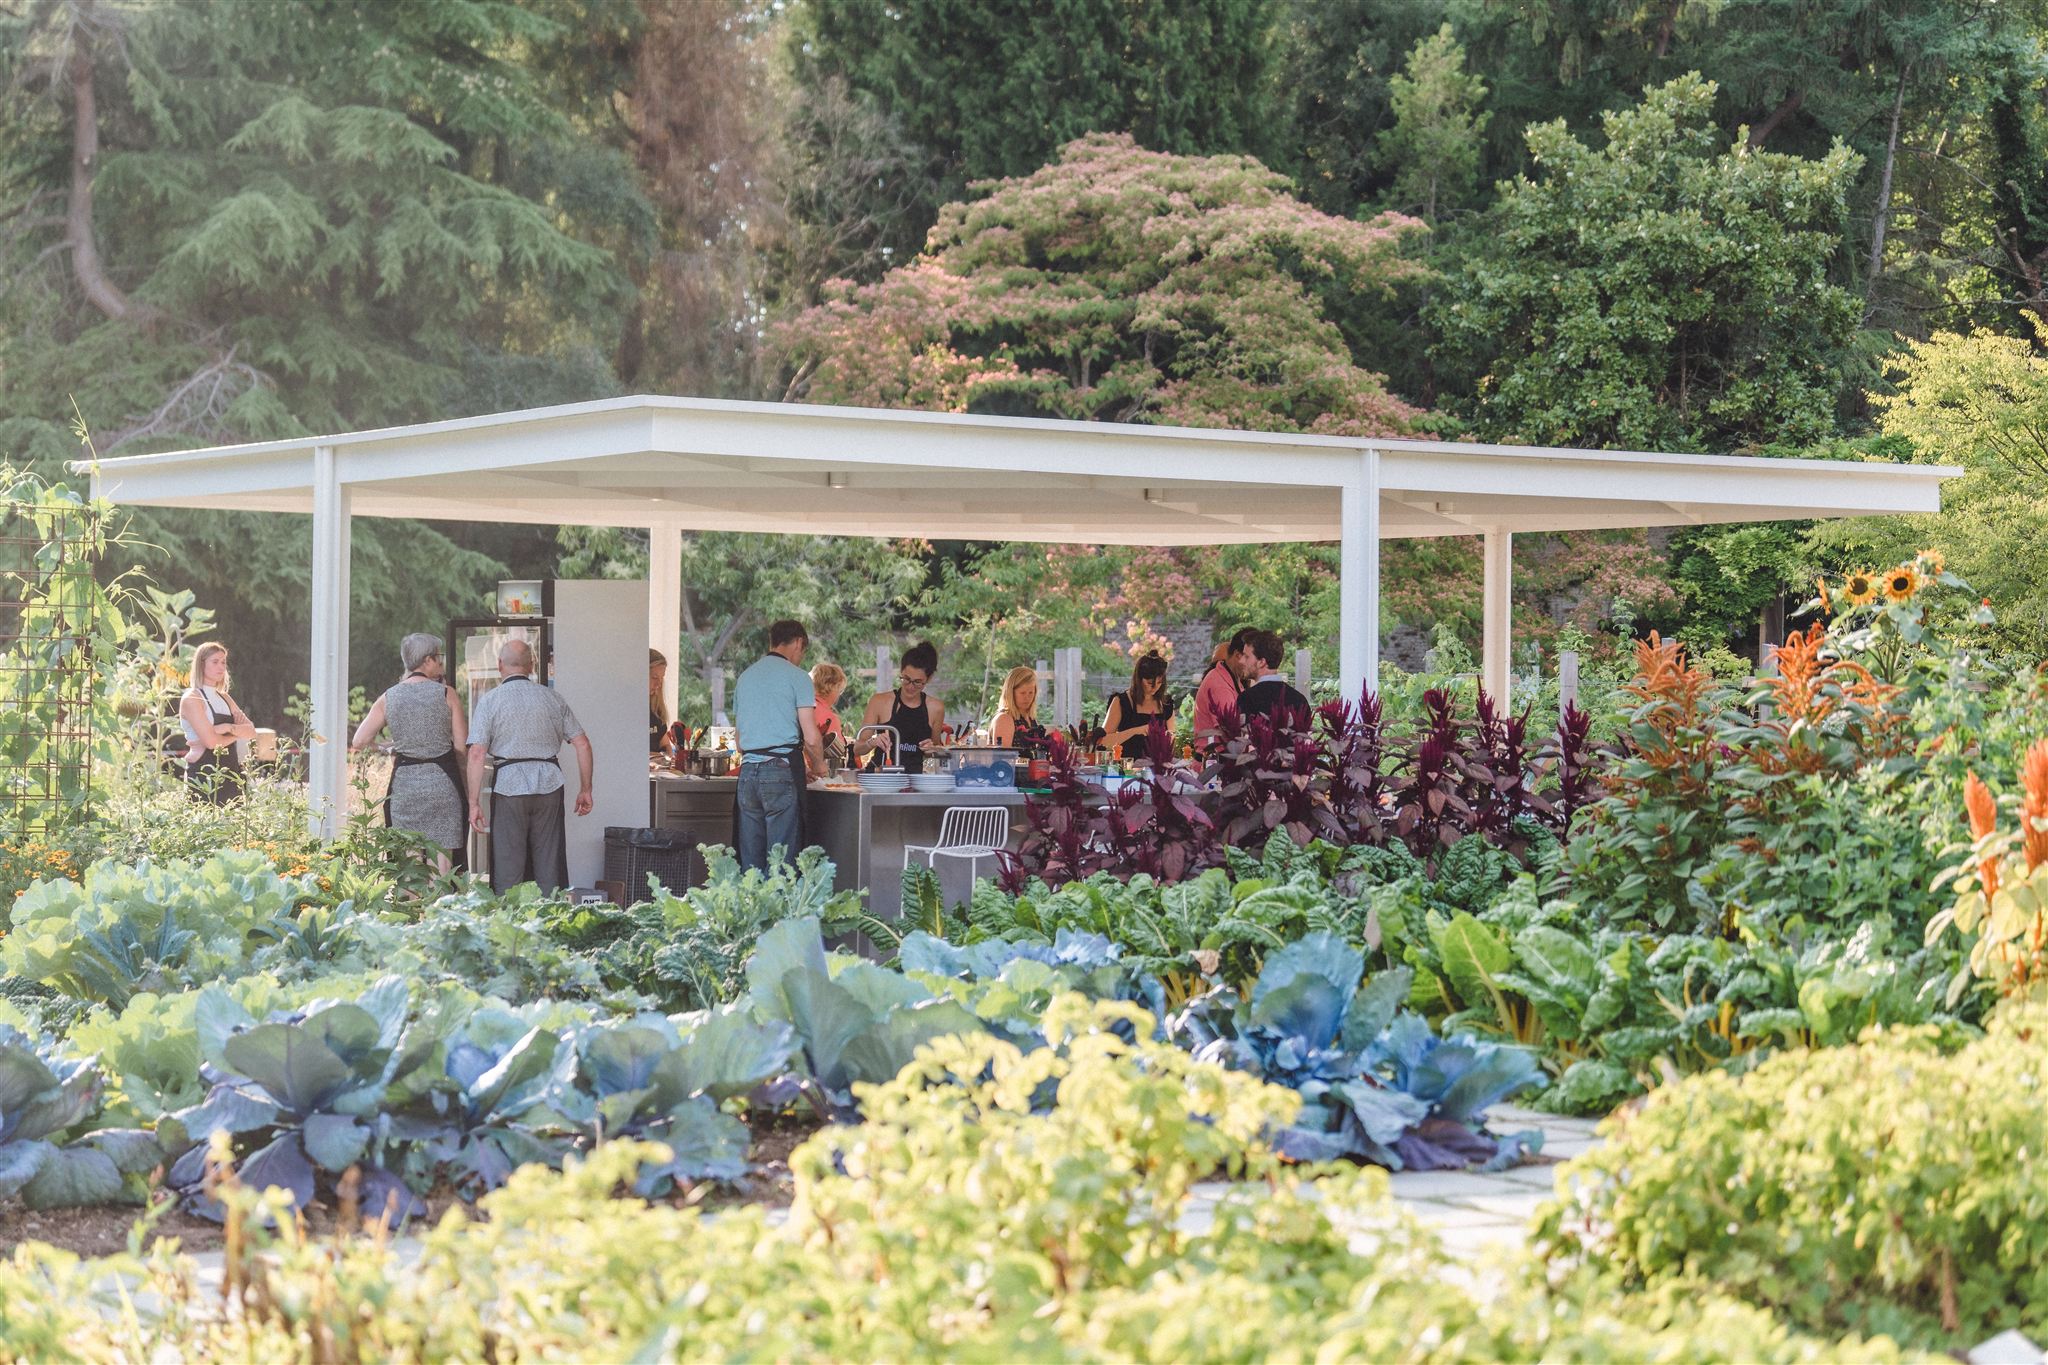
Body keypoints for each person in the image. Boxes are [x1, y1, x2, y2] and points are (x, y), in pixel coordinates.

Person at [464, 637, 592, 893]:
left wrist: (474, 803)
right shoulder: (552, 698)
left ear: (500, 665)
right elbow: (583, 744)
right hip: (549, 784)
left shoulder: (490, 701)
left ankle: (510, 923)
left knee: (508, 863)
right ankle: (549, 920)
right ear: (532, 665)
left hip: (509, 787)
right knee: (549, 863)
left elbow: (477, 753)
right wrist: (586, 789)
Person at [351, 633, 468, 873]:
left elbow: (360, 741)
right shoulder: (447, 694)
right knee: (442, 867)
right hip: (442, 785)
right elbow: (460, 746)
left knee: (408, 865)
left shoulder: (389, 696)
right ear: (427, 660)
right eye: (439, 658)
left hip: (405, 786)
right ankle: (441, 909)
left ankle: (409, 909)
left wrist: (388, 747)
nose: (441, 663)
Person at [735, 619, 826, 870]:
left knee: (751, 864)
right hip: (781, 771)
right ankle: (779, 910)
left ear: (771, 641)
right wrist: (820, 767)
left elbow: (740, 742)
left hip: (747, 775)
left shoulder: (745, 677)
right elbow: (811, 736)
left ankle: (750, 909)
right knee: (782, 863)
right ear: (798, 643)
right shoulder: (798, 677)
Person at [179, 641, 255, 804]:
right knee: (205, 827)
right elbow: (211, 742)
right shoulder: (192, 698)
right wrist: (236, 732)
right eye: (215, 662)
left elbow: (251, 731)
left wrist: (227, 728)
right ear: (201, 664)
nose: (221, 667)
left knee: (235, 828)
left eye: (223, 662)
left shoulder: (225, 697)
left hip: (232, 773)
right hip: (203, 776)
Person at [860, 640, 947, 774]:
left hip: (915, 781)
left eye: (918, 682)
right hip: (880, 778)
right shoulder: (879, 701)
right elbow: (857, 748)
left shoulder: (936, 708)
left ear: (928, 680)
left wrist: (932, 749)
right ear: (900, 671)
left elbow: (937, 749)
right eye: (906, 679)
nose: (910, 686)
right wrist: (872, 742)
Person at [1100, 651, 1174, 760]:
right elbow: (1103, 741)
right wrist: (1136, 731)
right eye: (1149, 683)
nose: (1155, 687)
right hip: (1128, 769)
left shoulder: (1166, 704)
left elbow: (1171, 740)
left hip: (1158, 768)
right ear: (1139, 679)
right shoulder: (1122, 701)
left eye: (1159, 683)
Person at [1192, 628, 1256, 749]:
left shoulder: (1233, 678)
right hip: (1214, 763)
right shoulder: (1219, 685)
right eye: (1250, 658)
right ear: (1238, 655)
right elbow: (1232, 731)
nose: (1254, 665)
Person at [1235, 630, 1311, 722]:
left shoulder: (1247, 700)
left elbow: (1243, 735)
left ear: (1261, 662)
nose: (1241, 661)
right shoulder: (1300, 701)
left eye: (1246, 656)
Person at [989, 665, 1051, 753]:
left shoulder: (1030, 718)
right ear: (1011, 693)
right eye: (1022, 693)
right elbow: (1002, 760)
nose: (1027, 697)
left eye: (1031, 693)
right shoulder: (1004, 719)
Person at [810, 661, 850, 769]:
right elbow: (838, 754)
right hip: (821, 773)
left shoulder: (804, 708)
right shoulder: (829, 718)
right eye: (840, 690)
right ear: (831, 687)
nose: (839, 695)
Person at [648, 648, 671, 758]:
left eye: (661, 678)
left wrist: (666, 754)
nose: (659, 684)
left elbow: (666, 745)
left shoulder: (655, 708)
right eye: (654, 677)